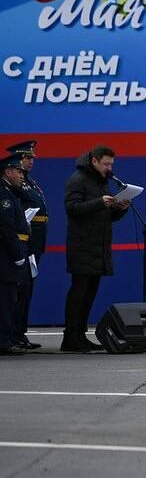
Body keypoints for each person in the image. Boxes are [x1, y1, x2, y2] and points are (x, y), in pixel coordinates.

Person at [61, 146, 129, 352]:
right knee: (79, 292)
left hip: (98, 246)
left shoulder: (102, 182)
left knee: (89, 293)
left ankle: (80, 335)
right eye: (106, 164)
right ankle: (71, 336)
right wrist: (100, 202)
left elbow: (104, 215)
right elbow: (72, 208)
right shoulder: (78, 180)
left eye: (111, 165)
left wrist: (119, 209)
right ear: (94, 161)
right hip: (82, 245)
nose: (109, 168)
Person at [7, 140, 46, 350]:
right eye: (26, 158)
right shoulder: (13, 185)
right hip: (23, 241)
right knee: (17, 291)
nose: (30, 162)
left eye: (31, 158)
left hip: (34, 241)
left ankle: (20, 332)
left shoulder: (29, 182)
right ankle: (12, 334)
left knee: (27, 290)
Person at [0, 153, 32, 355]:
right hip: (7, 254)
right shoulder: (4, 194)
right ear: (8, 171)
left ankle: (9, 336)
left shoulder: (11, 192)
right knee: (5, 298)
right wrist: (17, 254)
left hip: (14, 251)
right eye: (18, 171)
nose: (22, 175)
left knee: (11, 297)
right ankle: (4, 340)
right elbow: (6, 227)